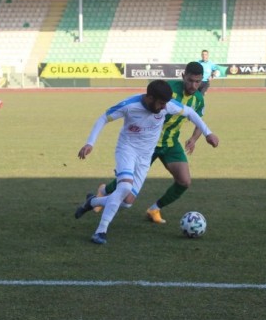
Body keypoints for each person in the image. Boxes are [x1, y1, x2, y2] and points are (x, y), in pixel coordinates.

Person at [74, 79, 219, 245]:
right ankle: (101, 231)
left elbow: (191, 113)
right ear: (150, 98)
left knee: (127, 203)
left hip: (145, 157)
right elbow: (103, 118)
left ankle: (91, 202)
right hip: (127, 150)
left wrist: (208, 133)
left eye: (166, 104)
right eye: (161, 103)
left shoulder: (167, 105)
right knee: (124, 187)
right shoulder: (130, 105)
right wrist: (90, 143)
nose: (164, 108)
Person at [95, 62, 210, 224]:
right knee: (128, 180)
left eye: (197, 82)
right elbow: (147, 104)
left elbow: (198, 120)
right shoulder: (168, 89)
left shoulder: (198, 99)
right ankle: (104, 191)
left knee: (184, 181)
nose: (193, 85)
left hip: (170, 143)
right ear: (183, 76)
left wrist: (193, 139)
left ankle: (154, 209)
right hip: (147, 143)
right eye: (190, 80)